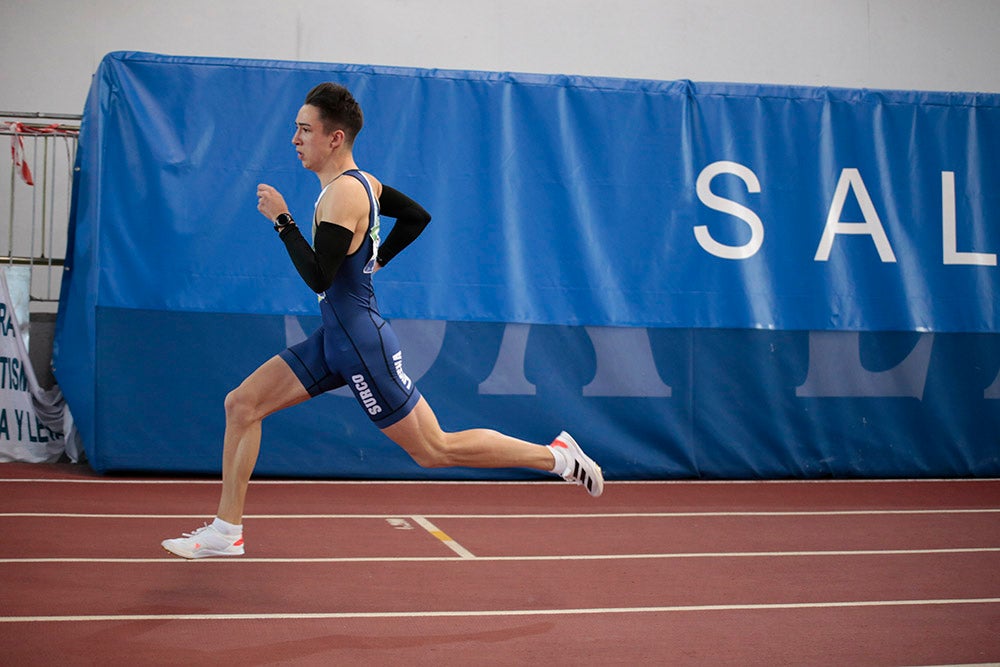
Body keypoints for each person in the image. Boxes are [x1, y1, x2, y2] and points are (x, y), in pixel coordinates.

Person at [162, 82, 603, 559]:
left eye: (304, 130)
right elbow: (416, 216)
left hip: (360, 346)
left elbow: (317, 276)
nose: (295, 139)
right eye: (295, 129)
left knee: (435, 450)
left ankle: (557, 456)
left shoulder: (343, 196)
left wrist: (283, 220)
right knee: (242, 405)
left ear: (335, 138)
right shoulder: (365, 184)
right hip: (337, 336)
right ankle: (227, 531)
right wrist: (376, 261)